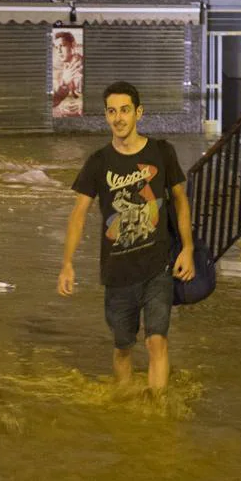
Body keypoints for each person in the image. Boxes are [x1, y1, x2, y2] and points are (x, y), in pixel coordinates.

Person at [58, 81, 194, 392]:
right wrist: (67, 263)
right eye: (111, 111)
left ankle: (156, 412)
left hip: (158, 267)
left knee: (156, 342)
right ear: (105, 116)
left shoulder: (162, 152)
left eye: (125, 110)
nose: (118, 118)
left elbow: (180, 200)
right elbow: (78, 214)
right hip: (117, 274)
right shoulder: (98, 162)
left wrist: (187, 248)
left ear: (138, 113)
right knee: (123, 348)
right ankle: (124, 405)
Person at [51, 31, 83, 116]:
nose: (59, 51)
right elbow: (52, 102)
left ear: (72, 46)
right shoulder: (61, 70)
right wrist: (64, 83)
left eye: (62, 46)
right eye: (57, 47)